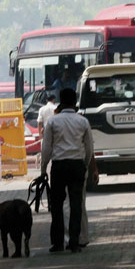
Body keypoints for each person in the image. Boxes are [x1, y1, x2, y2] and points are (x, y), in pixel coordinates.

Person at [40, 87, 93, 253]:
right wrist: (85, 163)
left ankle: (57, 243)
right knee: (76, 204)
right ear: (74, 102)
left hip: (59, 166)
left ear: (61, 102)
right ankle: (74, 242)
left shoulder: (53, 122)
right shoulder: (82, 121)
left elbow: (46, 148)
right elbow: (89, 147)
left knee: (56, 205)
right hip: (77, 164)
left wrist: (43, 169)